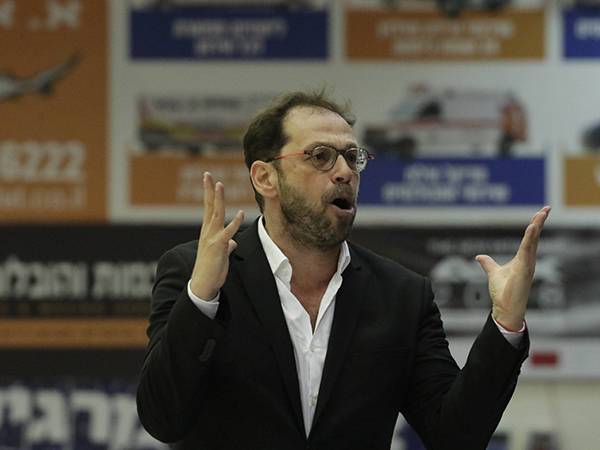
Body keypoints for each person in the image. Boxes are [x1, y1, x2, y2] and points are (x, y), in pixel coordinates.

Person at [136, 90, 550, 450]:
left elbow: (456, 436)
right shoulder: (196, 272)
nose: (345, 171)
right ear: (265, 178)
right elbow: (162, 419)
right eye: (321, 156)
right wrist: (201, 300)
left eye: (353, 157)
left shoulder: (401, 295)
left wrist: (505, 324)